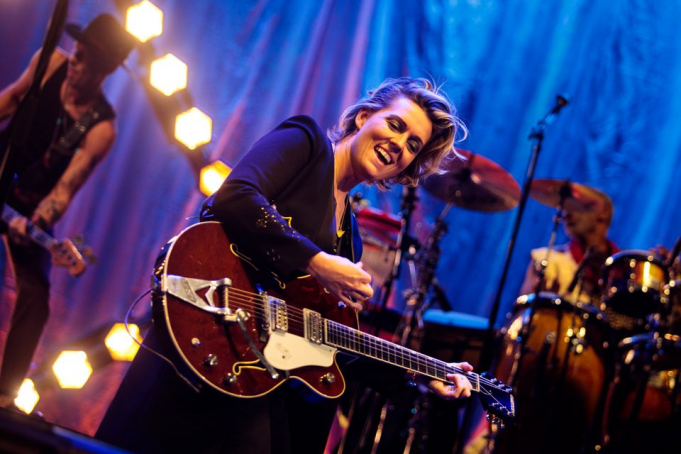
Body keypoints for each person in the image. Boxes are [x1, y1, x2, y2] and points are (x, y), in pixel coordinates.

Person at [97, 77, 474, 453]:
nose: (399, 145)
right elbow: (234, 196)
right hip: (204, 331)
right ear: (363, 117)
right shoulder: (306, 142)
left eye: (412, 145)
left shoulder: (350, 239)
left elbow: (323, 340)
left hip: (251, 376)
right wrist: (316, 261)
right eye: (395, 125)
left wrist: (422, 376)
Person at [0, 14, 135, 409]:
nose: (74, 61)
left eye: (84, 58)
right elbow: (8, 100)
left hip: (26, 209)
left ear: (104, 69)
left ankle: (5, 400)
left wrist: (38, 221)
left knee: (36, 297)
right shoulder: (51, 63)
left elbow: (64, 189)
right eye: (76, 52)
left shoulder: (100, 128)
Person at [518, 186, 619, 302]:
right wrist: (540, 305)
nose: (567, 214)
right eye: (566, 207)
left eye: (576, 206)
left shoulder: (628, 268)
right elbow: (519, 315)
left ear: (604, 213)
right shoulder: (547, 260)